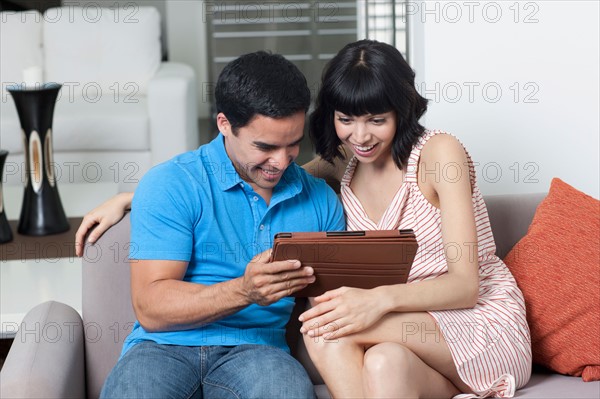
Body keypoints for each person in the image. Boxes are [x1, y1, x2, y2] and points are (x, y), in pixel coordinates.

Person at [77, 40, 532, 398]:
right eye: (346, 120)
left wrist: (378, 301)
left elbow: (464, 284)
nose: (362, 135)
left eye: (378, 118)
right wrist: (140, 194)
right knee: (381, 363)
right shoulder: (344, 163)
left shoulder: (424, 157)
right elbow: (257, 180)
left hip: (469, 317)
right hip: (170, 348)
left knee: (325, 326)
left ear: (402, 110)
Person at [95, 51, 345, 398]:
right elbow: (151, 306)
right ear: (224, 124)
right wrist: (244, 290)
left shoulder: (320, 201)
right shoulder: (172, 183)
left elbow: (332, 305)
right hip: (162, 348)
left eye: (293, 145)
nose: (281, 161)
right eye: (265, 146)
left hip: (259, 352)